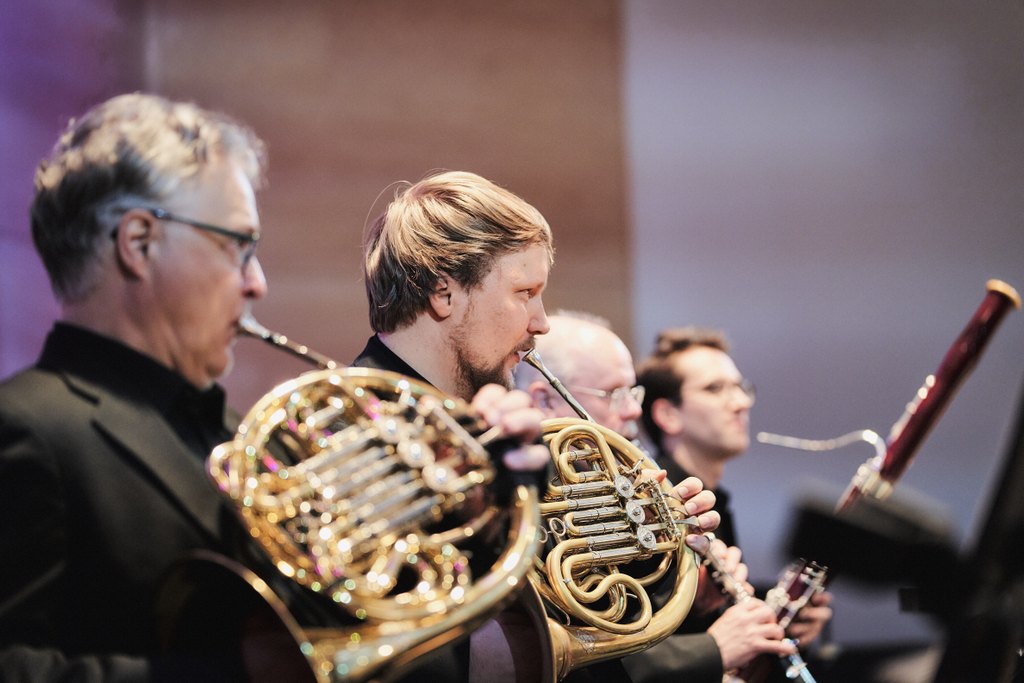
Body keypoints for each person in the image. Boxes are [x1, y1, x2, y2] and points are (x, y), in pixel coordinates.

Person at [0, 96, 543, 683]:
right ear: (139, 243)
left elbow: (385, 629)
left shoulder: (239, 436)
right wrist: (241, 673)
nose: (257, 283)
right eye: (239, 246)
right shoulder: (27, 428)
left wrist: (480, 513)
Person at [356, 172, 722, 681]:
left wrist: (654, 550)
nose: (541, 321)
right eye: (524, 292)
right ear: (443, 293)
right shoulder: (358, 431)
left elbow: (563, 596)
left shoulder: (493, 425)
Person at [516, 312, 799, 682]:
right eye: (614, 394)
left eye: (633, 393)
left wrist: (694, 603)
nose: (634, 409)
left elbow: (629, 616)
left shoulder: (618, 487)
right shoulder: (524, 496)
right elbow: (586, 653)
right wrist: (710, 650)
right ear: (546, 401)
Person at [636, 327, 834, 653]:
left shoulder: (717, 500)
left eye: (741, 388)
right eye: (716, 389)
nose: (741, 402)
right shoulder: (649, 509)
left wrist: (780, 622)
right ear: (668, 414)